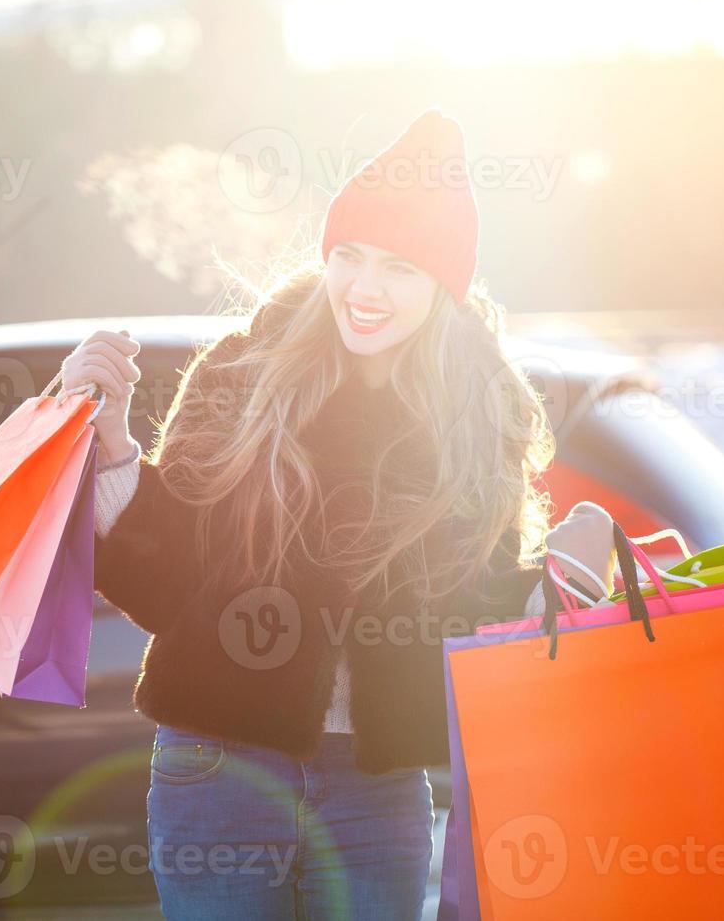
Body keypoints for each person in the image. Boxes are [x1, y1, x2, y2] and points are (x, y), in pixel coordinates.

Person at [60, 109, 615, 919]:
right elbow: (166, 585)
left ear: (443, 287)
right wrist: (110, 446)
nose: (364, 288)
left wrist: (552, 584)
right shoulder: (244, 375)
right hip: (219, 769)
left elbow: (471, 606)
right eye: (348, 256)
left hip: (376, 786)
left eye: (399, 267)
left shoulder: (474, 421)